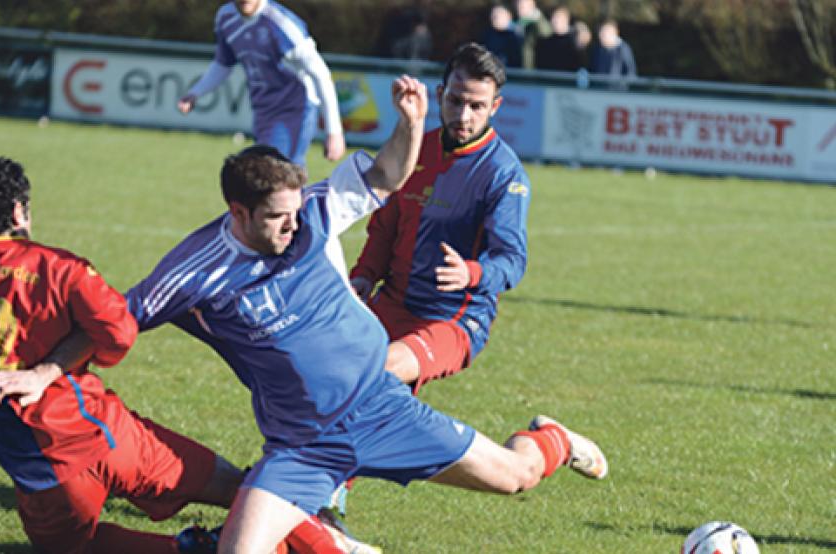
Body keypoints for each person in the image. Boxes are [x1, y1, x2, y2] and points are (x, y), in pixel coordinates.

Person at [41, 73, 607, 552]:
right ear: (238, 212)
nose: (294, 227)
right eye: (277, 218)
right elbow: (114, 321)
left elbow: (385, 177)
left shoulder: (311, 211)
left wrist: (410, 124)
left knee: (517, 477)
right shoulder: (193, 271)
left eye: (295, 211)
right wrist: (46, 371)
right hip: (301, 447)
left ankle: (552, 436)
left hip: (382, 409)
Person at [0, 157, 369, 554]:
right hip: (111, 437)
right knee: (243, 490)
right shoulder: (60, 267)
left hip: (46, 477)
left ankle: (192, 548)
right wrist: (59, 363)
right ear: (19, 212)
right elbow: (119, 334)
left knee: (81, 548)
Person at [349, 42, 532, 400]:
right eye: (455, 101)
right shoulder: (415, 148)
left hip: (452, 318)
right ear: (439, 95)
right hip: (392, 302)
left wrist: (472, 274)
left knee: (379, 371)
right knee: (328, 372)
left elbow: (513, 260)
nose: (464, 116)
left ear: (495, 107)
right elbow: (385, 226)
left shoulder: (503, 173)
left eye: (477, 106)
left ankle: (542, 446)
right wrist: (364, 275)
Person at [177, 0, 346, 167]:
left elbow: (321, 74)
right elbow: (223, 64)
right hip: (263, 109)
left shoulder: (282, 24)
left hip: (295, 107)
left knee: (276, 173)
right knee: (275, 174)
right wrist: (195, 93)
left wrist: (334, 132)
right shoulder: (226, 18)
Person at [535, 5, 583, 72]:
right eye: (553, 17)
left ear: (567, 19)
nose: (555, 20)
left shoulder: (575, 44)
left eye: (558, 17)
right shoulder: (544, 43)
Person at [482, 3, 523, 68]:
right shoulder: (488, 35)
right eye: (493, 16)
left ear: (508, 16)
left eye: (499, 15)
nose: (495, 18)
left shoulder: (518, 34)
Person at [514, 0, 551, 69]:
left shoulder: (538, 22)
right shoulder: (517, 23)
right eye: (518, 5)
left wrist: (537, 18)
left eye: (522, 6)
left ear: (532, 6)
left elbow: (547, 34)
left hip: (536, 72)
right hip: (518, 72)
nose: (519, 8)